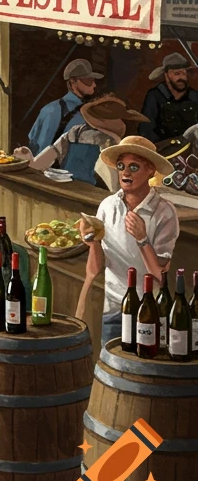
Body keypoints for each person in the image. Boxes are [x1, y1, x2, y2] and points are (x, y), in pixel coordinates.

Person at [74, 136, 178, 343]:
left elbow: (160, 274)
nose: (125, 172)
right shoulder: (107, 205)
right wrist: (91, 242)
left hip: (149, 309)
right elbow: (96, 268)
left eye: (134, 166)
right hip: (112, 307)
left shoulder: (164, 212)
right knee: (110, 366)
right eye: (121, 166)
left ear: (150, 171)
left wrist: (142, 239)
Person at [18, 95, 146, 188]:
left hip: (66, 192)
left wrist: (28, 158)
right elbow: (115, 188)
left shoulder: (74, 133)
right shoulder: (113, 145)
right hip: (93, 200)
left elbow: (38, 164)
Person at [29, 59, 101, 152]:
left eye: (93, 80)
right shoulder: (52, 110)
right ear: (73, 81)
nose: (94, 85)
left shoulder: (48, 109)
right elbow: (41, 147)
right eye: (88, 80)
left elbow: (33, 141)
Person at [140, 51, 198, 144]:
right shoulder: (155, 96)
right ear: (166, 75)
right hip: (162, 149)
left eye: (184, 73)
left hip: (190, 149)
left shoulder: (194, 97)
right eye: (177, 74)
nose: (182, 77)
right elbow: (147, 128)